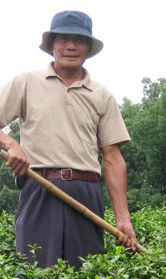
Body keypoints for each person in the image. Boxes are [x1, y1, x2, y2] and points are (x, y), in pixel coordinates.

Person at [0, 10, 137, 269]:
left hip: (86, 193)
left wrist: (123, 217)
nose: (71, 46)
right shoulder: (26, 82)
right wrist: (11, 144)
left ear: (88, 47)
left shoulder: (102, 95)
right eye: (63, 39)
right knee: (34, 269)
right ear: (52, 44)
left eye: (79, 39)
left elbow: (112, 158)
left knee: (87, 270)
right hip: (38, 187)